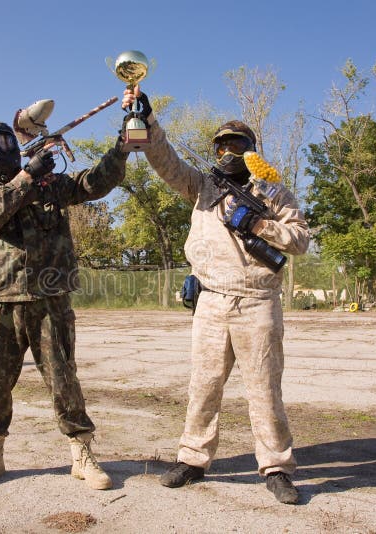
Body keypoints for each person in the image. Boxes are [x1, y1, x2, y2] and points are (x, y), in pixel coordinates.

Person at [122, 87, 309, 504]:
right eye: (221, 144)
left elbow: (299, 241)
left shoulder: (274, 193)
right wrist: (147, 121)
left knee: (263, 388)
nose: (227, 150)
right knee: (203, 385)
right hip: (210, 301)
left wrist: (261, 226)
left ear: (251, 150)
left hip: (258, 301)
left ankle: (277, 467)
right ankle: (192, 460)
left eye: (236, 143)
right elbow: (165, 161)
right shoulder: (202, 187)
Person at [0, 120, 128, 491]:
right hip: (0, 301)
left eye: (5, 140)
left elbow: (94, 184)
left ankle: (81, 454)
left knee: (64, 378)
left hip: (50, 300)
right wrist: (26, 176)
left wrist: (121, 147)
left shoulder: (51, 187)